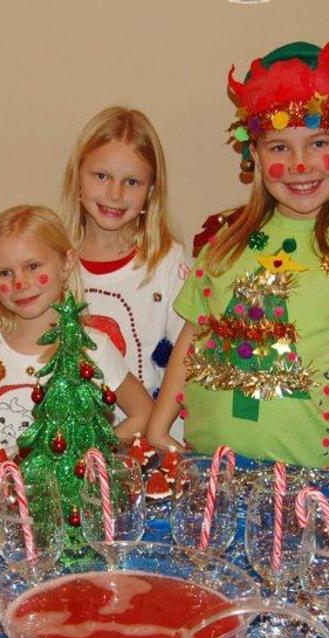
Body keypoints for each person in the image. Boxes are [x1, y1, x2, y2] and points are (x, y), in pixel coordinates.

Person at [147, 41, 329, 467]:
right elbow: (194, 334)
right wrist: (159, 427)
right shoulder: (226, 239)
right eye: (279, 147)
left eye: (319, 142)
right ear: (254, 152)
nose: (299, 165)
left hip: (311, 476)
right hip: (208, 467)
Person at [0, 205, 152, 473]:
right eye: (4, 273)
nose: (20, 283)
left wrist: (92, 458)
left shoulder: (91, 348)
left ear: (66, 264)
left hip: (51, 497)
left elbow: (143, 412)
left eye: (33, 266)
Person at [60, 107, 189, 434]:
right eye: (101, 176)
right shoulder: (54, 263)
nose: (115, 194)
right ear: (77, 177)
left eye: (131, 182)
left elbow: (189, 358)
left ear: (151, 190)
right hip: (73, 448)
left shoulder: (167, 263)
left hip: (153, 445)